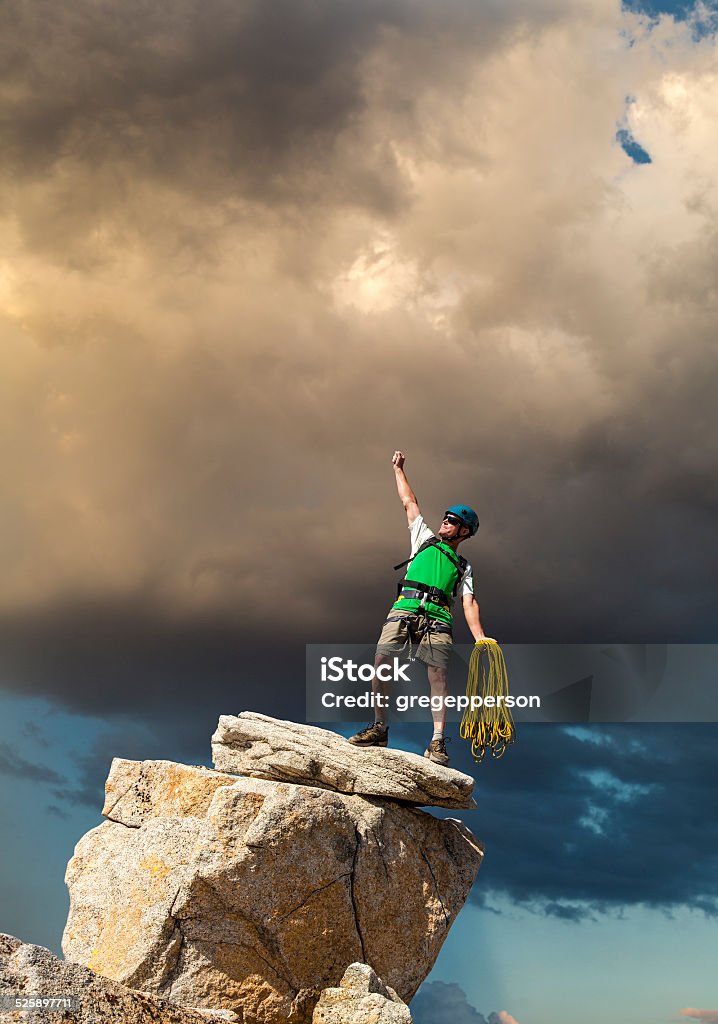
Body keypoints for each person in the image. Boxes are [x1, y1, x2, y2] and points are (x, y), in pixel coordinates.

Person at [348, 450, 489, 766]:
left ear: (464, 531)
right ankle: (379, 727)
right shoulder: (424, 539)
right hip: (406, 608)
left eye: (453, 521)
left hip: (438, 617)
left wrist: (480, 637)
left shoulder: (464, 567)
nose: (445, 521)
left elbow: (469, 602)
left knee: (438, 676)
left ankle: (437, 741)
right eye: (446, 517)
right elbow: (409, 503)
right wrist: (398, 470)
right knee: (381, 660)